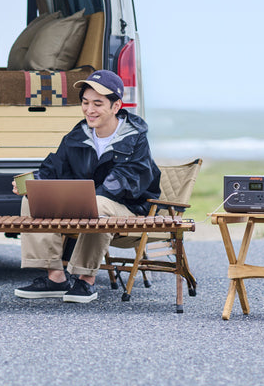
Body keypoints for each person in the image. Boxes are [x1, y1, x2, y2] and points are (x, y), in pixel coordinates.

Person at [13, 69, 161, 304]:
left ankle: (85, 279)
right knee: (31, 198)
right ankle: (55, 277)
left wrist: (87, 199)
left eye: (98, 104)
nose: (89, 110)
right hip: (86, 204)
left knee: (98, 204)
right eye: (85, 102)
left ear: (116, 106)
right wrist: (34, 182)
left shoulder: (135, 137)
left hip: (128, 208)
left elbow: (129, 177)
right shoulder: (77, 135)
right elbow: (54, 167)